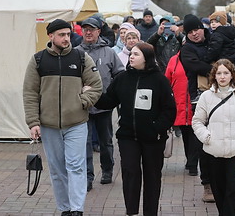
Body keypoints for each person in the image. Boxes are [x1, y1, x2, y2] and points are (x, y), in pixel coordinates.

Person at [23, 19, 103, 216]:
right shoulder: (38, 60)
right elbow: (30, 93)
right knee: (57, 170)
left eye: (68, 34)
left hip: (76, 123)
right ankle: (65, 208)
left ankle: (77, 209)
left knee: (76, 166)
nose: (67, 38)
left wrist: (81, 101)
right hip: (49, 125)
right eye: (62, 35)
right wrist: (33, 122)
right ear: (51, 36)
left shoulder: (81, 57)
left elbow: (97, 85)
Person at [94, 42, 176, 216]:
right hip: (127, 136)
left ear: (147, 58)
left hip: (153, 138)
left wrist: (157, 128)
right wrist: (92, 94)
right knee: (130, 171)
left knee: (152, 176)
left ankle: (150, 212)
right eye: (131, 54)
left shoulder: (159, 80)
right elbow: (109, 101)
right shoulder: (123, 78)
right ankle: (131, 211)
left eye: (136, 54)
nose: (131, 57)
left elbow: (169, 110)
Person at [192, 59, 235, 216]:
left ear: (232, 75)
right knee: (218, 190)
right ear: (214, 76)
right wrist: (207, 137)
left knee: (233, 190)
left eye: (226, 73)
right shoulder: (206, 96)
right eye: (219, 73)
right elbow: (197, 121)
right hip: (213, 151)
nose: (222, 76)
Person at [76, 17, 124, 192]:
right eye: (85, 29)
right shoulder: (75, 52)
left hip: (104, 105)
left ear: (98, 31)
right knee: (85, 143)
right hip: (83, 106)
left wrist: (112, 92)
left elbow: (120, 73)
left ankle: (107, 170)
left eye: (92, 29)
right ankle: (88, 176)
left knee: (105, 142)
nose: (88, 32)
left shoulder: (109, 52)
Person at [180, 14, 215, 202]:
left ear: (203, 28)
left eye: (197, 29)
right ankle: (207, 184)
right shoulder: (186, 50)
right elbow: (195, 66)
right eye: (190, 32)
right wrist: (219, 69)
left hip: (224, 97)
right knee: (204, 141)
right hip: (199, 99)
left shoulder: (214, 40)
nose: (194, 34)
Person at [165, 49, 195, 172]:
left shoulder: (197, 59)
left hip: (194, 104)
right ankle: (190, 160)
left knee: (194, 135)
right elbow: (167, 80)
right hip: (179, 104)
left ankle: (193, 164)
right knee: (186, 134)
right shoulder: (174, 60)